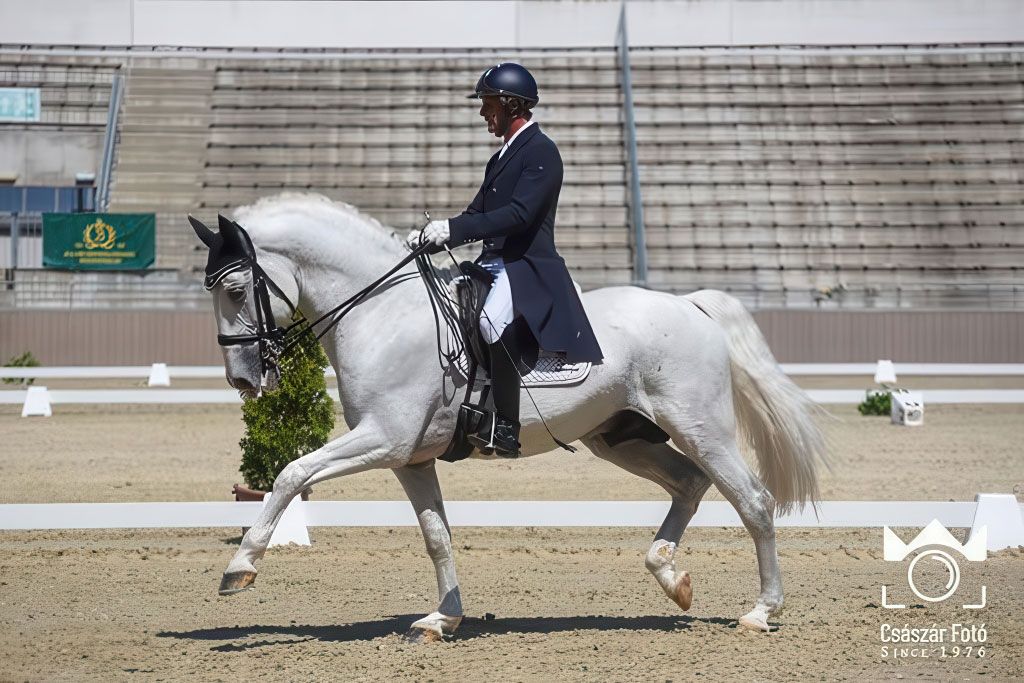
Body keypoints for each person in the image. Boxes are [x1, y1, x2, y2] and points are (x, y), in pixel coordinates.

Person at [408, 62, 603, 456]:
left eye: (488, 103)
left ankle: (506, 428)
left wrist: (455, 229)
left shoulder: (542, 152)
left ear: (511, 104)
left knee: (490, 320)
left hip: (526, 264)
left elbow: (520, 215)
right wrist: (433, 235)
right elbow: (477, 213)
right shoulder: (500, 159)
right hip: (494, 262)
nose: (483, 112)